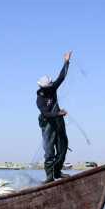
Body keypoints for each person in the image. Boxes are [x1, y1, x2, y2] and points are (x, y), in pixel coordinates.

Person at [37, 50, 72, 183]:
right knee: (49, 151)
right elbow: (46, 113)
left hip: (58, 121)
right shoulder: (39, 99)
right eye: (49, 85)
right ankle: (49, 178)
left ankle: (57, 172)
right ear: (43, 88)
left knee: (63, 147)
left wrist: (66, 61)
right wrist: (58, 113)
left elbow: (61, 77)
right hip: (47, 124)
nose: (52, 86)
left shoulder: (52, 88)